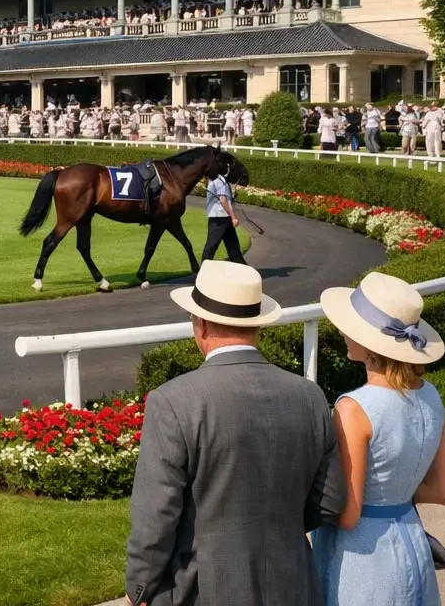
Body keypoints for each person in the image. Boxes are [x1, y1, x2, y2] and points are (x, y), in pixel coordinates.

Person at [126, 260, 344, 606]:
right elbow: (329, 503)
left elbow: (155, 518)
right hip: (292, 583)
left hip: (203, 589)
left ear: (201, 326)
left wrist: (138, 588)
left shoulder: (173, 401)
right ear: (255, 325)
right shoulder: (309, 396)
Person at [312, 272, 445, 605]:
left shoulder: (353, 407)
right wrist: (394, 489)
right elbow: (444, 491)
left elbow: (348, 514)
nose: (344, 330)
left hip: (364, 558)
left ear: (370, 341)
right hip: (412, 545)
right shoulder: (433, 397)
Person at [200, 164, 246, 264]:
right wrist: (233, 217)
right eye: (227, 168)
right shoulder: (218, 181)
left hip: (224, 217)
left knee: (233, 246)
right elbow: (223, 200)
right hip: (219, 218)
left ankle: (242, 267)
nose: (229, 170)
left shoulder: (221, 181)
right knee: (212, 245)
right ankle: (203, 269)